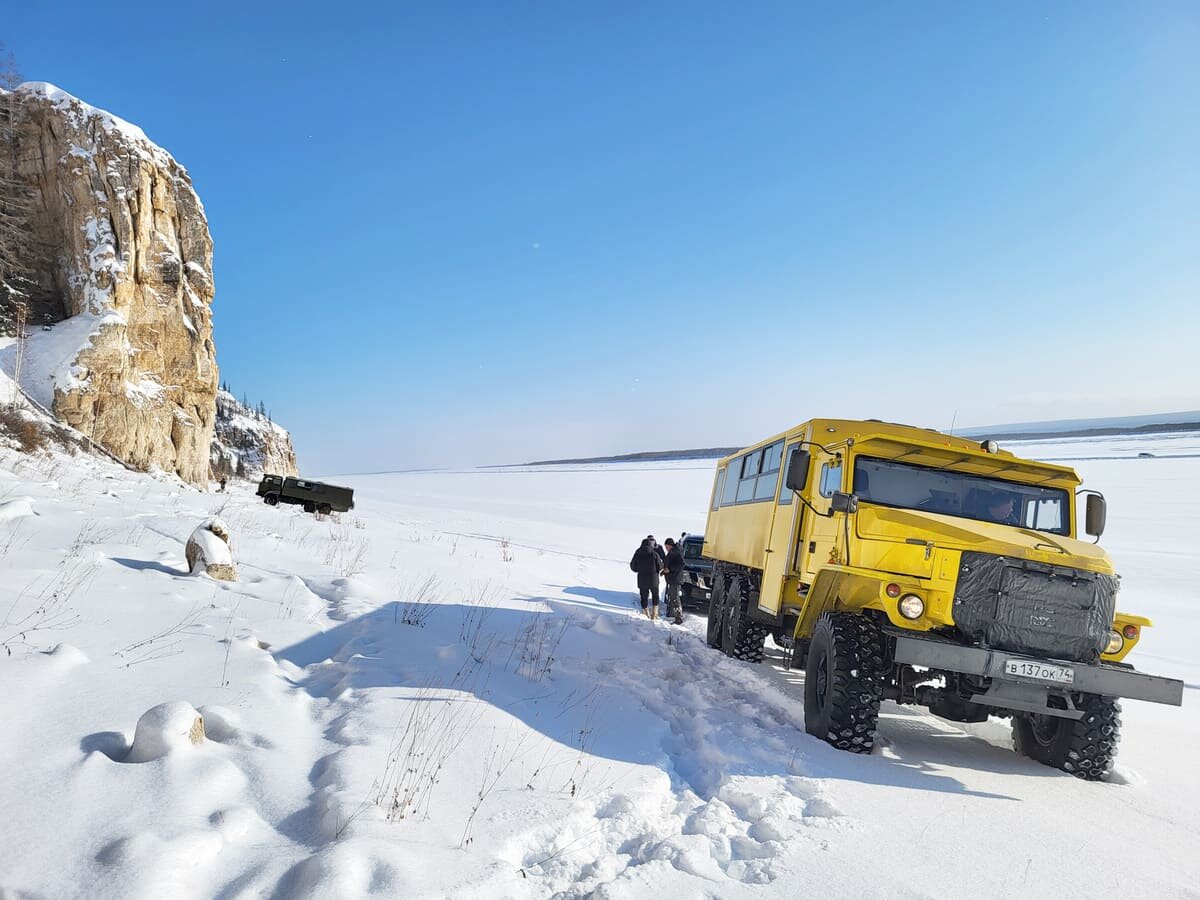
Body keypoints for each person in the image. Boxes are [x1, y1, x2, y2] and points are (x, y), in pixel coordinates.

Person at [630, 538, 662, 619]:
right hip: (653, 579)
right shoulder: (654, 554)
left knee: (644, 596)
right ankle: (654, 614)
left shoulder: (637, 553)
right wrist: (656, 571)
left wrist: (639, 569)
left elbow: (633, 567)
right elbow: (660, 566)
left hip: (642, 579)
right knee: (655, 595)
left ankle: (646, 614)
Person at [662, 537, 685, 625]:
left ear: (670, 545)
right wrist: (664, 571)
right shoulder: (672, 552)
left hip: (675, 579)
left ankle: (678, 617)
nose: (666, 549)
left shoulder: (676, 552)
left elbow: (682, 564)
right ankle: (673, 614)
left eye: (666, 547)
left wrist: (670, 569)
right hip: (672, 579)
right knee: (672, 597)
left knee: (675, 598)